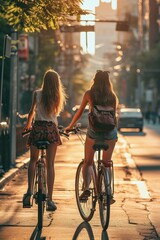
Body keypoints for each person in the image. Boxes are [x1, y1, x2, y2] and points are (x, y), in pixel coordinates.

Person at [65, 70, 118, 202]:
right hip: (110, 134)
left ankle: (86, 189)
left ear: (94, 80)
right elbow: (114, 118)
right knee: (106, 164)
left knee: (88, 162)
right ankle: (108, 192)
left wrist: (70, 126)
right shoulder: (112, 96)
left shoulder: (90, 94)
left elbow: (79, 112)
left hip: (94, 133)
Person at [23, 69, 67, 211]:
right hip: (51, 130)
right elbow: (55, 115)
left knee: (33, 160)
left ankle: (29, 192)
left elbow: (31, 113)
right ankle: (50, 200)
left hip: (38, 128)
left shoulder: (37, 94)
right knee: (50, 164)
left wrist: (28, 126)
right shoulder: (57, 96)